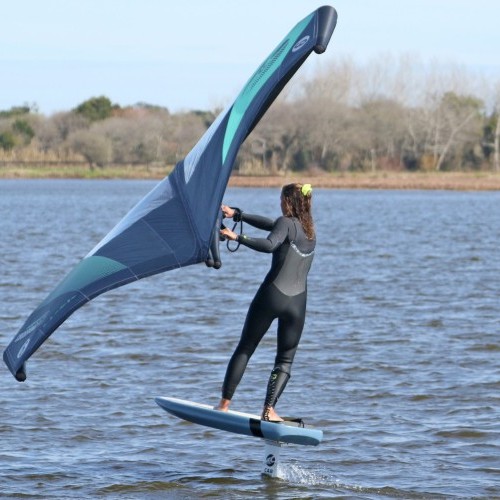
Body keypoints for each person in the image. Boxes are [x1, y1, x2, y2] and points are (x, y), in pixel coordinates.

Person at [216, 183, 316, 421]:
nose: (280, 203)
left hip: (272, 295)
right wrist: (238, 214)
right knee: (285, 360)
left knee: (246, 347)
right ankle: (269, 410)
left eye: (282, 199)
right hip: (298, 304)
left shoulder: (286, 223)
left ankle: (223, 405)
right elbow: (272, 225)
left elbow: (270, 243)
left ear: (288, 202)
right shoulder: (309, 231)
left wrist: (236, 236)